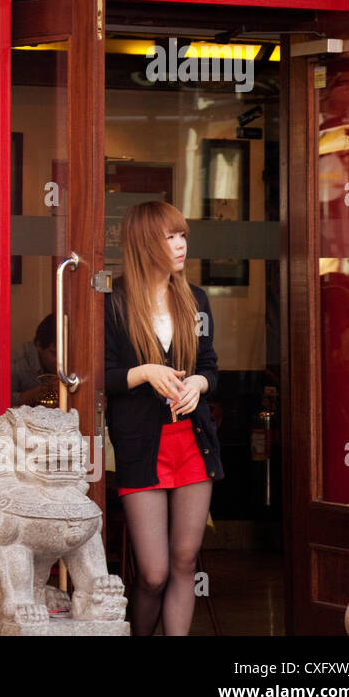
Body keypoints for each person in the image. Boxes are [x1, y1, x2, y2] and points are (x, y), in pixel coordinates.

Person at [105, 200, 221, 636]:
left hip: (192, 443)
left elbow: (210, 366)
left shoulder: (196, 299)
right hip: (142, 448)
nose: (179, 245)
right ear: (143, 244)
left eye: (182, 236)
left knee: (185, 561)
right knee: (153, 572)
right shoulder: (114, 304)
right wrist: (146, 372)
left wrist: (198, 386)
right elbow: (101, 375)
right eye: (169, 237)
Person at [10, 314, 59, 407]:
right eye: (54, 353)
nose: (60, 361)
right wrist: (39, 393)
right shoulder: (17, 361)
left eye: (65, 354)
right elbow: (1, 401)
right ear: (39, 345)